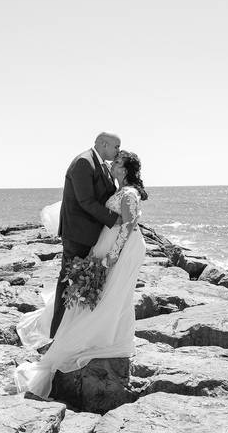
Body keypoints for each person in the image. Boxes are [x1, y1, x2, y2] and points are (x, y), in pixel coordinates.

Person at [14, 150, 149, 399]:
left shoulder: (129, 193)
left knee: (114, 294)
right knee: (107, 293)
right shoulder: (120, 190)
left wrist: (114, 255)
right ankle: (102, 333)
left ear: (125, 169)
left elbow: (128, 226)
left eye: (117, 163)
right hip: (109, 244)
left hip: (123, 249)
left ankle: (105, 337)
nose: (112, 165)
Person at [51, 132, 122, 338]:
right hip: (77, 235)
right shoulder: (84, 162)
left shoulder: (101, 165)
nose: (118, 151)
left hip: (90, 233)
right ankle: (55, 333)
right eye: (116, 147)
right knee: (67, 282)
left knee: (82, 282)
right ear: (103, 144)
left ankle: (75, 329)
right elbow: (86, 201)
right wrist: (114, 219)